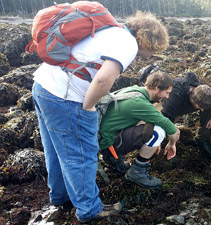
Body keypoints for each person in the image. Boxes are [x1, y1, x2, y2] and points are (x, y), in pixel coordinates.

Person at [32, 10, 169, 223]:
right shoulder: (128, 44)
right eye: (154, 50)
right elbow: (103, 81)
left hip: (43, 86)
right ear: (149, 41)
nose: (151, 55)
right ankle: (89, 209)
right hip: (66, 97)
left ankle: (60, 197)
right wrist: (88, 108)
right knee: (81, 154)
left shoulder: (110, 30)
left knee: (56, 149)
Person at [98, 71, 180, 190]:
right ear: (157, 87)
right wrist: (171, 144)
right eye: (166, 93)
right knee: (158, 132)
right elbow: (171, 129)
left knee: (150, 123)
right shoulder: (139, 103)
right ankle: (137, 172)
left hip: (104, 135)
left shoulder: (134, 91)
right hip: (108, 142)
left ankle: (114, 159)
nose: (167, 97)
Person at [161, 72, 211, 158]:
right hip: (165, 106)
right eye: (200, 107)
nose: (202, 110)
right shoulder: (175, 94)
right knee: (164, 123)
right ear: (192, 98)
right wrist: (172, 141)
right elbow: (166, 118)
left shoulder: (203, 91)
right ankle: (160, 141)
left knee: (208, 107)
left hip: (186, 102)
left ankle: (203, 139)